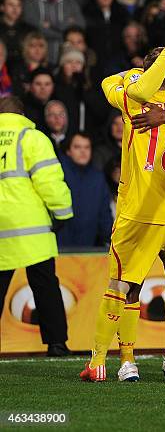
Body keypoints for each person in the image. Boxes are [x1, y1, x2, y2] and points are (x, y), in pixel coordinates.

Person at [80, 41, 165, 384]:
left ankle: (106, 361)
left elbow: (114, 84)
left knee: (122, 284)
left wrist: (148, 71)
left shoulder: (135, 98)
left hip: (139, 212)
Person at [0, 96, 73, 357]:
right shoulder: (32, 138)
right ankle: (56, 344)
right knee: (45, 287)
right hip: (30, 227)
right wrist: (63, 213)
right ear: (22, 114)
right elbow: (49, 181)